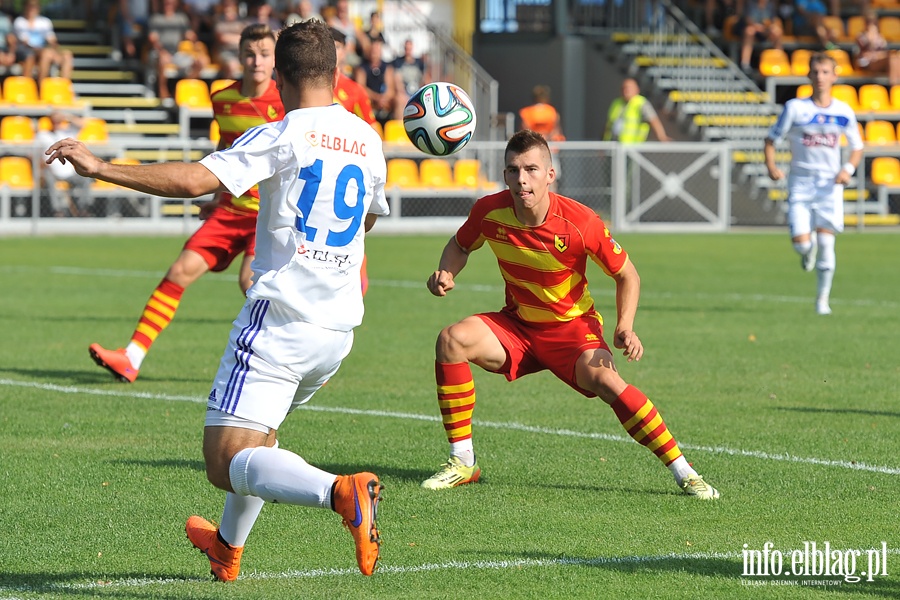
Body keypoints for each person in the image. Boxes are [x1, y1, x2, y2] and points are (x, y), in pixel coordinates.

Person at [47, 19, 388, 581]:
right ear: (336, 74)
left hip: (279, 322)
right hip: (336, 333)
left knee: (224, 460)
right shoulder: (369, 140)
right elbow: (368, 218)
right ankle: (227, 549)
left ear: (278, 77)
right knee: (260, 436)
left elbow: (193, 181)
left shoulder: (283, 132)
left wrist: (103, 166)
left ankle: (341, 493)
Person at [420, 129, 719, 501]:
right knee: (451, 340)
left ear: (550, 174)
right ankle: (462, 461)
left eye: (531, 169)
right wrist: (446, 271)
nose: (521, 179)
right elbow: (460, 245)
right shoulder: (488, 210)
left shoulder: (581, 221)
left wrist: (625, 326)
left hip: (572, 331)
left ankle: (685, 472)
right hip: (518, 326)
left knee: (610, 385)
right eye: (513, 170)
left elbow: (627, 274)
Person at [86, 23, 285, 384]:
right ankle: (131, 357)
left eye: (264, 54)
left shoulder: (287, 104)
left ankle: (290, 358)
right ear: (238, 57)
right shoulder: (223, 99)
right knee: (179, 272)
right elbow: (225, 153)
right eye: (249, 54)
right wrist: (215, 196)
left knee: (250, 283)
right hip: (229, 211)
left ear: (275, 60)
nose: (256, 61)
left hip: (267, 215)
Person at [764, 52, 863, 316]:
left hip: (830, 186)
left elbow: (857, 146)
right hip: (800, 184)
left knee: (828, 244)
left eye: (825, 72)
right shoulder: (796, 108)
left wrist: (847, 169)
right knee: (803, 245)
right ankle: (807, 251)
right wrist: (772, 166)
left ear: (834, 75)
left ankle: (822, 300)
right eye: (816, 72)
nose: (820, 77)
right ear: (808, 75)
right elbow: (771, 139)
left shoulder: (843, 111)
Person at [36, 112, 87, 217]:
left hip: (71, 172)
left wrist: (67, 116)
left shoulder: (68, 133)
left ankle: (83, 208)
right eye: (54, 120)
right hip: (52, 171)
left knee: (86, 178)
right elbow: (35, 153)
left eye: (58, 120)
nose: (57, 123)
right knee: (48, 177)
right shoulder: (42, 135)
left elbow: (82, 125)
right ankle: (57, 211)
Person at [13, 0, 73, 82]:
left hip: (44, 50)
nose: (32, 8)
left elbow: (52, 40)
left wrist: (53, 49)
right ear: (25, 7)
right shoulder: (20, 22)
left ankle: (64, 87)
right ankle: (42, 87)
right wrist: (45, 51)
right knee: (46, 54)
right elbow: (26, 43)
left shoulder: (45, 22)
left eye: (35, 6)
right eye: (30, 6)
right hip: (28, 52)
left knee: (67, 55)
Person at [603, 78, 671, 143]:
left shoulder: (641, 103)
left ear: (637, 89)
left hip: (632, 147)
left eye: (629, 88)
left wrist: (662, 136)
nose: (626, 90)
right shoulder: (616, 103)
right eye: (624, 88)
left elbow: (653, 119)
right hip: (612, 146)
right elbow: (608, 125)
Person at [735, 0, 783, 73]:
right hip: (752, 30)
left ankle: (779, 61)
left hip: (765, 31)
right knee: (749, 31)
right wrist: (760, 28)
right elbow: (748, 20)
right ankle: (745, 63)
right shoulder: (750, 4)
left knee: (777, 31)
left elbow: (772, 21)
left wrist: (768, 28)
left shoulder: (770, 5)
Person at [356, 37, 394, 127]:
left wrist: (384, 98)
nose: (374, 54)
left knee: (399, 100)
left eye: (377, 51)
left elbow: (391, 89)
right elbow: (361, 88)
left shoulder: (387, 68)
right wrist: (376, 98)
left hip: (385, 102)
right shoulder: (361, 68)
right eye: (373, 51)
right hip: (370, 100)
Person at [855, 9, 900, 84]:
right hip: (867, 63)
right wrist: (871, 39)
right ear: (865, 23)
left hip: (879, 60)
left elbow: (884, 49)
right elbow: (866, 54)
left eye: (874, 22)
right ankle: (894, 85)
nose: (872, 24)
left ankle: (896, 87)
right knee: (892, 58)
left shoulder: (880, 36)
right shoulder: (861, 36)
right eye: (869, 22)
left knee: (896, 58)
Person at [391, 38, 429, 119]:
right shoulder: (398, 62)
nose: (408, 50)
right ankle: (400, 127)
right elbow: (397, 80)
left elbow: (425, 78)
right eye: (406, 48)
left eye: (409, 48)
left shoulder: (419, 63)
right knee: (399, 99)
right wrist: (403, 93)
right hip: (404, 92)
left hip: (417, 91)